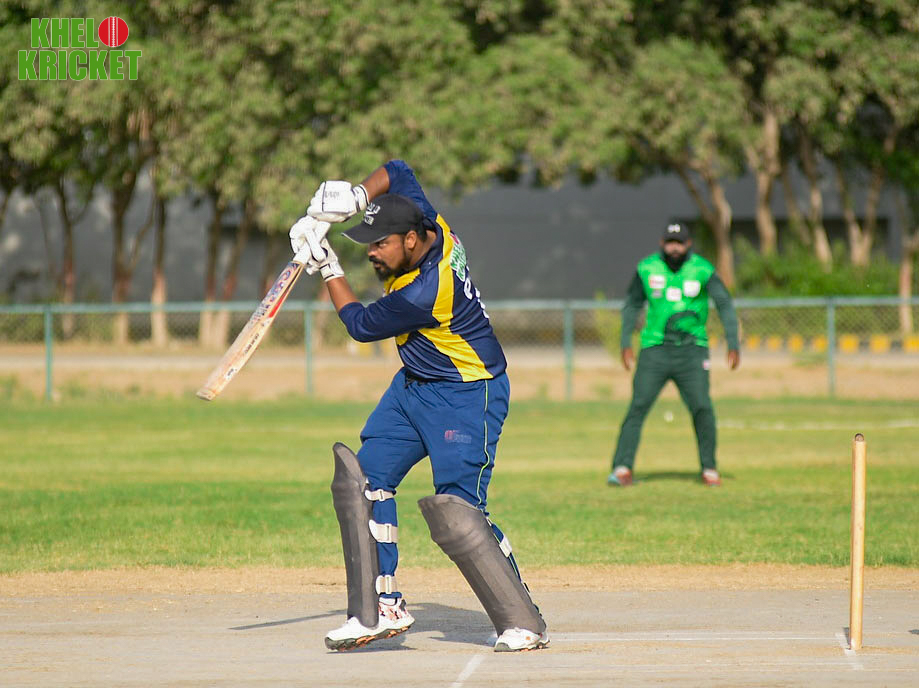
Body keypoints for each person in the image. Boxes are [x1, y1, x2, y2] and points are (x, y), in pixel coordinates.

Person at [289, 160, 548, 652]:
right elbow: (398, 169)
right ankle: (379, 608)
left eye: (379, 244)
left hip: (467, 394)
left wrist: (327, 266)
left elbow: (360, 325)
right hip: (414, 387)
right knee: (362, 481)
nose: (372, 254)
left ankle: (522, 619)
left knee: (459, 510)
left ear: (410, 240)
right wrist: (356, 198)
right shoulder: (429, 223)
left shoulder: (425, 291)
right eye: (367, 244)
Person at [607, 222, 740, 488]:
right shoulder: (647, 268)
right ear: (662, 243)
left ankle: (709, 468)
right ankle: (622, 468)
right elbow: (632, 304)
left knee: (702, 407)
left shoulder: (702, 269)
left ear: (688, 244)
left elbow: (724, 303)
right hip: (655, 349)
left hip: (692, 351)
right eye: (670, 242)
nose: (674, 248)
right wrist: (625, 341)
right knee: (638, 406)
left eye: (679, 243)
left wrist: (733, 342)